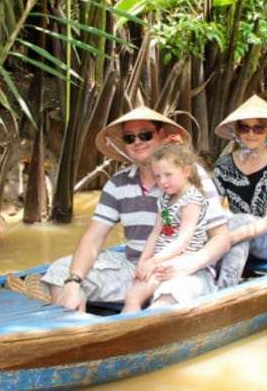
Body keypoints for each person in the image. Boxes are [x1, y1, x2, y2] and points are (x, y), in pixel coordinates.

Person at [40, 107, 230, 312]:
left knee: (169, 298)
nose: (137, 141)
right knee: (60, 272)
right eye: (130, 138)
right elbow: (93, 238)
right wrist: (74, 282)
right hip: (134, 267)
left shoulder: (189, 177)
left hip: (186, 269)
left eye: (145, 135)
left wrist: (190, 264)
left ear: (163, 137)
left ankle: (139, 330)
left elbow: (221, 238)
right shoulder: (117, 184)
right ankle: (77, 329)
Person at [212, 94, 267, 288]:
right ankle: (203, 279)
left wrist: (237, 234)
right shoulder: (224, 163)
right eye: (245, 127)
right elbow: (212, 209)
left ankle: (225, 288)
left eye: (258, 127)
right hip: (236, 232)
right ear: (237, 131)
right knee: (217, 221)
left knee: (239, 221)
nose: (251, 133)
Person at [123, 142, 212, 313]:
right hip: (161, 258)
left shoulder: (191, 199)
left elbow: (184, 239)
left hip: (183, 258)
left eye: (168, 175)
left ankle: (138, 328)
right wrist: (142, 262)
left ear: (186, 171)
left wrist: (154, 261)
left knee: (143, 297)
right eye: (157, 176)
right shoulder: (164, 198)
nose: (162, 181)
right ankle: (124, 328)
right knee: (132, 296)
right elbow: (155, 233)